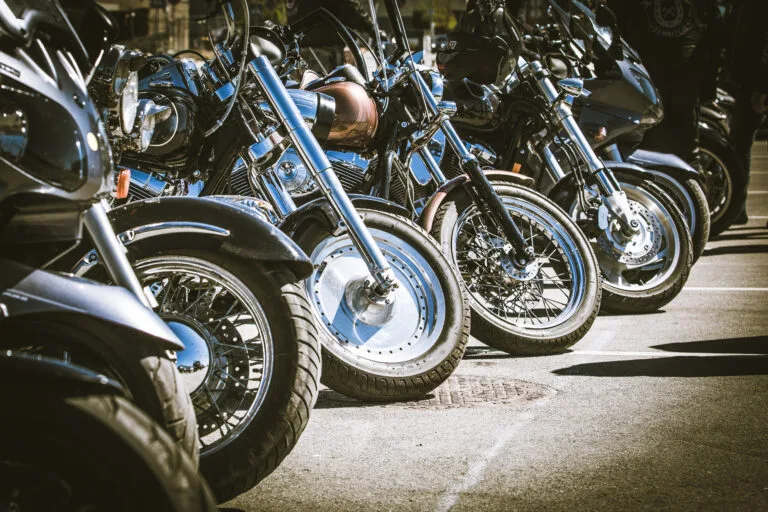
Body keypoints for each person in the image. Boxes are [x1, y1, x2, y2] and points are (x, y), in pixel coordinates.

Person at [609, 0, 717, 171]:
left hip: (676, 78)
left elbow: (712, 28)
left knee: (680, 151)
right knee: (651, 150)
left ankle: (692, 192)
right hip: (649, 78)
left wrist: (707, 83)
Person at [727, 0, 768, 225]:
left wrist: (761, 85)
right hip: (751, 79)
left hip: (756, 81)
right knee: (740, 144)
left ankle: (737, 208)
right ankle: (737, 208)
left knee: (740, 143)